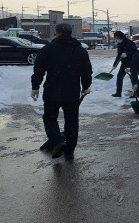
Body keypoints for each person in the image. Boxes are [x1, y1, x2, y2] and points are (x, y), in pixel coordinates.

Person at [31, 23, 93, 160]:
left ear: (57, 32)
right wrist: (86, 86)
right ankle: (69, 150)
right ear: (70, 33)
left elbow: (39, 69)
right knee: (71, 120)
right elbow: (86, 71)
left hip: (52, 91)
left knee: (50, 118)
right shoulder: (80, 50)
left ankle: (57, 141)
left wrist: (35, 86)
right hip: (72, 92)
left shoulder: (48, 49)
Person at [112, 31, 137, 97]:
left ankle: (136, 93)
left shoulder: (129, 43)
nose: (116, 40)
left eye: (117, 38)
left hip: (132, 62)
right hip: (124, 63)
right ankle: (118, 93)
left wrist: (127, 54)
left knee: (133, 77)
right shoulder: (119, 44)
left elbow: (135, 52)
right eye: (115, 38)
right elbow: (119, 55)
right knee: (119, 77)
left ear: (121, 37)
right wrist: (115, 64)